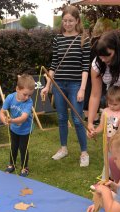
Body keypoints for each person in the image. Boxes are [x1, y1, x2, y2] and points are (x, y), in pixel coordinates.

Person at [40, 5, 90, 167]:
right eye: (65, 21)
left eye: (71, 21)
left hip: (76, 85)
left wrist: (82, 88)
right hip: (58, 84)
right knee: (61, 118)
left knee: (77, 119)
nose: (67, 24)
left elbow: (85, 67)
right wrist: (48, 86)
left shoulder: (84, 39)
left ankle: (84, 152)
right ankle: (63, 148)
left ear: (77, 21)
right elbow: (53, 65)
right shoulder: (58, 39)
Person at [0, 74, 35, 177]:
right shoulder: (10, 97)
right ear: (17, 89)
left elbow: (23, 118)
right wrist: (4, 121)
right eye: (25, 94)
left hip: (25, 130)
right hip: (13, 128)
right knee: (13, 146)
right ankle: (12, 164)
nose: (27, 97)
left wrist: (11, 121)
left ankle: (25, 167)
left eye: (30, 95)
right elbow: (1, 112)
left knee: (23, 147)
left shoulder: (29, 102)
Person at [93, 86, 120, 181]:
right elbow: (101, 126)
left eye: (115, 104)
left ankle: (118, 179)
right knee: (107, 161)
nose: (112, 106)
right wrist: (95, 131)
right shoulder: (105, 111)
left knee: (118, 161)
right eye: (110, 103)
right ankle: (105, 179)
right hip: (108, 143)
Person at [83, 17, 113, 123]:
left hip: (91, 70)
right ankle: (93, 117)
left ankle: (89, 115)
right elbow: (98, 60)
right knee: (94, 93)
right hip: (95, 70)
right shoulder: (101, 42)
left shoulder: (93, 40)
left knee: (90, 92)